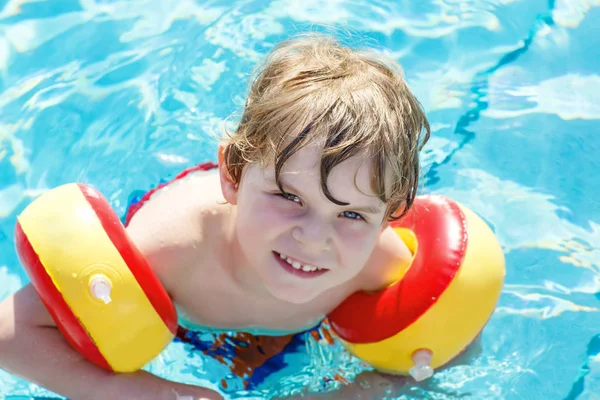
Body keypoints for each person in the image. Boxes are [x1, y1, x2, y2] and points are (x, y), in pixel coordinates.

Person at [0, 33, 430, 400]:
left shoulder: (385, 267)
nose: (314, 238)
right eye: (288, 196)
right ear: (234, 175)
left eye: (352, 214)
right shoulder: (165, 253)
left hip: (294, 330)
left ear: (391, 214)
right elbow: (10, 335)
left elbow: (440, 346)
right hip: (185, 315)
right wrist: (145, 391)